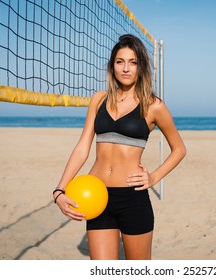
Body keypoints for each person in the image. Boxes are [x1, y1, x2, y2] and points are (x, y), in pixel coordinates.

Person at [52, 34, 186, 260]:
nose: (126, 68)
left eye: (133, 62)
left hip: (133, 198)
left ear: (141, 67)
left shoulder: (154, 106)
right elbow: (83, 146)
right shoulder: (98, 99)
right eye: (120, 62)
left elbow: (179, 149)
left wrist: (153, 178)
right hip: (97, 195)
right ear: (112, 66)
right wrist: (59, 190)